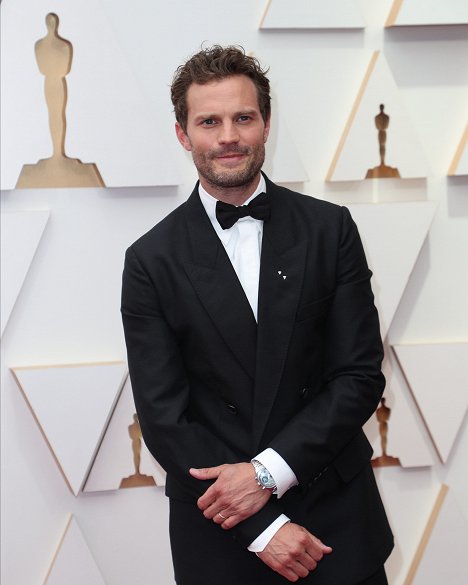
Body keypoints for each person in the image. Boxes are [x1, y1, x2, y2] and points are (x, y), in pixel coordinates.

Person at [121, 45, 393, 585]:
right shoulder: (150, 260)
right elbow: (165, 418)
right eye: (209, 121)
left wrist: (267, 475)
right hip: (223, 535)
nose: (228, 137)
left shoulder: (329, 229)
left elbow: (358, 377)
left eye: (243, 118)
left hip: (335, 520)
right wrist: (263, 527)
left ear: (265, 124)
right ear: (183, 134)